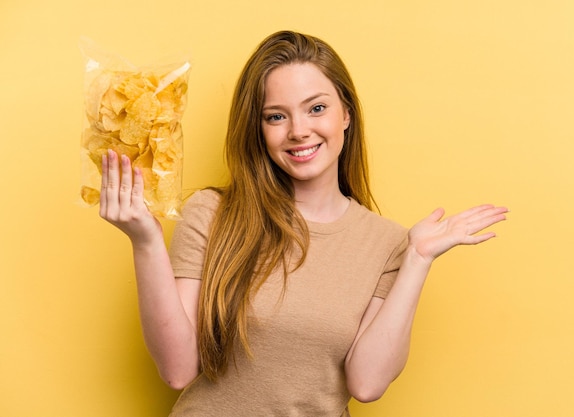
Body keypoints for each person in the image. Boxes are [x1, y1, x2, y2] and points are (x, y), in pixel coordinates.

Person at [99, 30, 508, 417]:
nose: (299, 131)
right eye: (276, 117)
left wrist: (418, 259)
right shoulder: (211, 213)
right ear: (258, 129)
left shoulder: (390, 243)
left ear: (345, 114)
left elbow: (366, 384)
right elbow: (177, 369)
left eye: (316, 108)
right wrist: (146, 242)